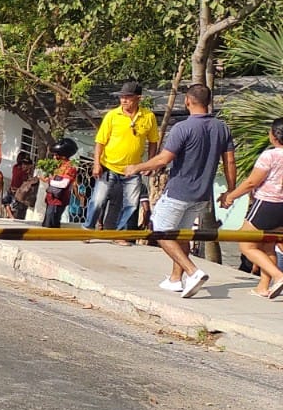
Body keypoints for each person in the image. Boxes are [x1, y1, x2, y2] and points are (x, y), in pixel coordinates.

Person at [124, 82, 235, 298]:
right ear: (208, 102)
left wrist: (138, 166)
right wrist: (230, 190)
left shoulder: (183, 128)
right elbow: (230, 162)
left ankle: (192, 271)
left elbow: (165, 158)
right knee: (181, 234)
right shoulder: (222, 128)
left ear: (187, 101)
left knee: (159, 230)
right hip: (203, 194)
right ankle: (176, 279)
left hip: (179, 191)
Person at [218, 117, 283, 299]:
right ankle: (263, 286)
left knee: (246, 244)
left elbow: (252, 182)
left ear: (274, 136)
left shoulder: (270, 155)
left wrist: (230, 196)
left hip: (267, 204)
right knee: (268, 246)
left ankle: (279, 276)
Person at [87, 80, 159, 231]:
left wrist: (150, 163)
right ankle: (88, 228)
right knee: (98, 201)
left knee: (131, 204)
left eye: (128, 97)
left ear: (138, 98)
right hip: (109, 166)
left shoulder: (148, 116)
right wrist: (96, 164)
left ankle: (120, 234)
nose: (124, 100)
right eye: (122, 97)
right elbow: (100, 141)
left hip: (132, 169)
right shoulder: (112, 116)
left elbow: (153, 141)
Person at [41, 138, 79, 229]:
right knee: (47, 223)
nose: (54, 157)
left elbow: (63, 184)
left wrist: (50, 181)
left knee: (51, 224)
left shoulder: (70, 168)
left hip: (58, 200)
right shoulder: (59, 166)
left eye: (56, 155)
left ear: (63, 155)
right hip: (51, 199)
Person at [4, 152, 36, 221]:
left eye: (25, 164)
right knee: (13, 206)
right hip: (16, 192)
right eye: (23, 163)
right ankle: (11, 217)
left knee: (8, 204)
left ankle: (10, 217)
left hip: (15, 191)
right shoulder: (22, 172)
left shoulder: (15, 167)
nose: (24, 165)